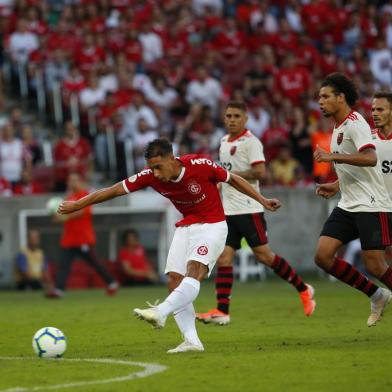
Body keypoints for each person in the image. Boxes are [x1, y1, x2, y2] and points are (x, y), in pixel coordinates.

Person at [57, 138, 281, 353]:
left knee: (194, 270)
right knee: (174, 279)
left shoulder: (200, 164)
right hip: (186, 226)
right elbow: (114, 190)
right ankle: (192, 341)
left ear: (171, 159)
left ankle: (160, 311)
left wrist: (262, 200)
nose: (154, 173)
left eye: (157, 167)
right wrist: (78, 204)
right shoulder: (151, 176)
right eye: (151, 168)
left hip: (213, 225)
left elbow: (233, 179)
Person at [196, 101, 315, 326]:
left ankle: (303, 288)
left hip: (249, 210)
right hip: (228, 211)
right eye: (228, 115)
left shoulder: (251, 142)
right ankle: (223, 311)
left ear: (245, 119)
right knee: (224, 258)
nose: (231, 119)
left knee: (264, 256)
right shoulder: (223, 141)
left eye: (236, 116)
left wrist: (226, 176)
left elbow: (260, 172)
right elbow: (226, 176)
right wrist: (220, 185)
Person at [314, 73, 392, 327]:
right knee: (323, 256)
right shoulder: (339, 126)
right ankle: (377, 295)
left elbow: (370, 158)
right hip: (348, 203)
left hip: (371, 203)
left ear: (340, 97)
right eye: (319, 97)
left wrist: (331, 158)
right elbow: (358, 167)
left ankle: (379, 293)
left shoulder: (356, 123)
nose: (320, 101)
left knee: (376, 265)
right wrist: (335, 185)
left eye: (325, 97)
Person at [46, 173, 118, 298]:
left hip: (83, 238)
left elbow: (82, 212)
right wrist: (58, 218)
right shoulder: (69, 197)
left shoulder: (85, 195)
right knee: (63, 265)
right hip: (68, 240)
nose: (71, 183)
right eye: (69, 180)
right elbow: (63, 217)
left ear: (80, 181)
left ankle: (111, 283)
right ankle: (58, 290)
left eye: (74, 180)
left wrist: (65, 217)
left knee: (94, 263)